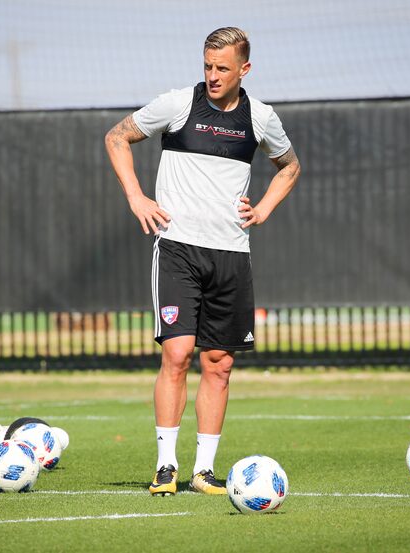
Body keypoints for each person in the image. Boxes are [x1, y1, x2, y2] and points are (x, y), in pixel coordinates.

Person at [105, 27, 301, 496]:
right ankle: (166, 467)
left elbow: (290, 165)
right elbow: (116, 137)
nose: (212, 76)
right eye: (207, 66)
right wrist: (136, 196)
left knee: (219, 363)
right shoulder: (176, 105)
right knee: (177, 354)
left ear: (244, 70)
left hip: (232, 254)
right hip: (177, 249)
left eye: (223, 68)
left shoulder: (261, 118)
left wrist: (265, 208)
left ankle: (204, 472)